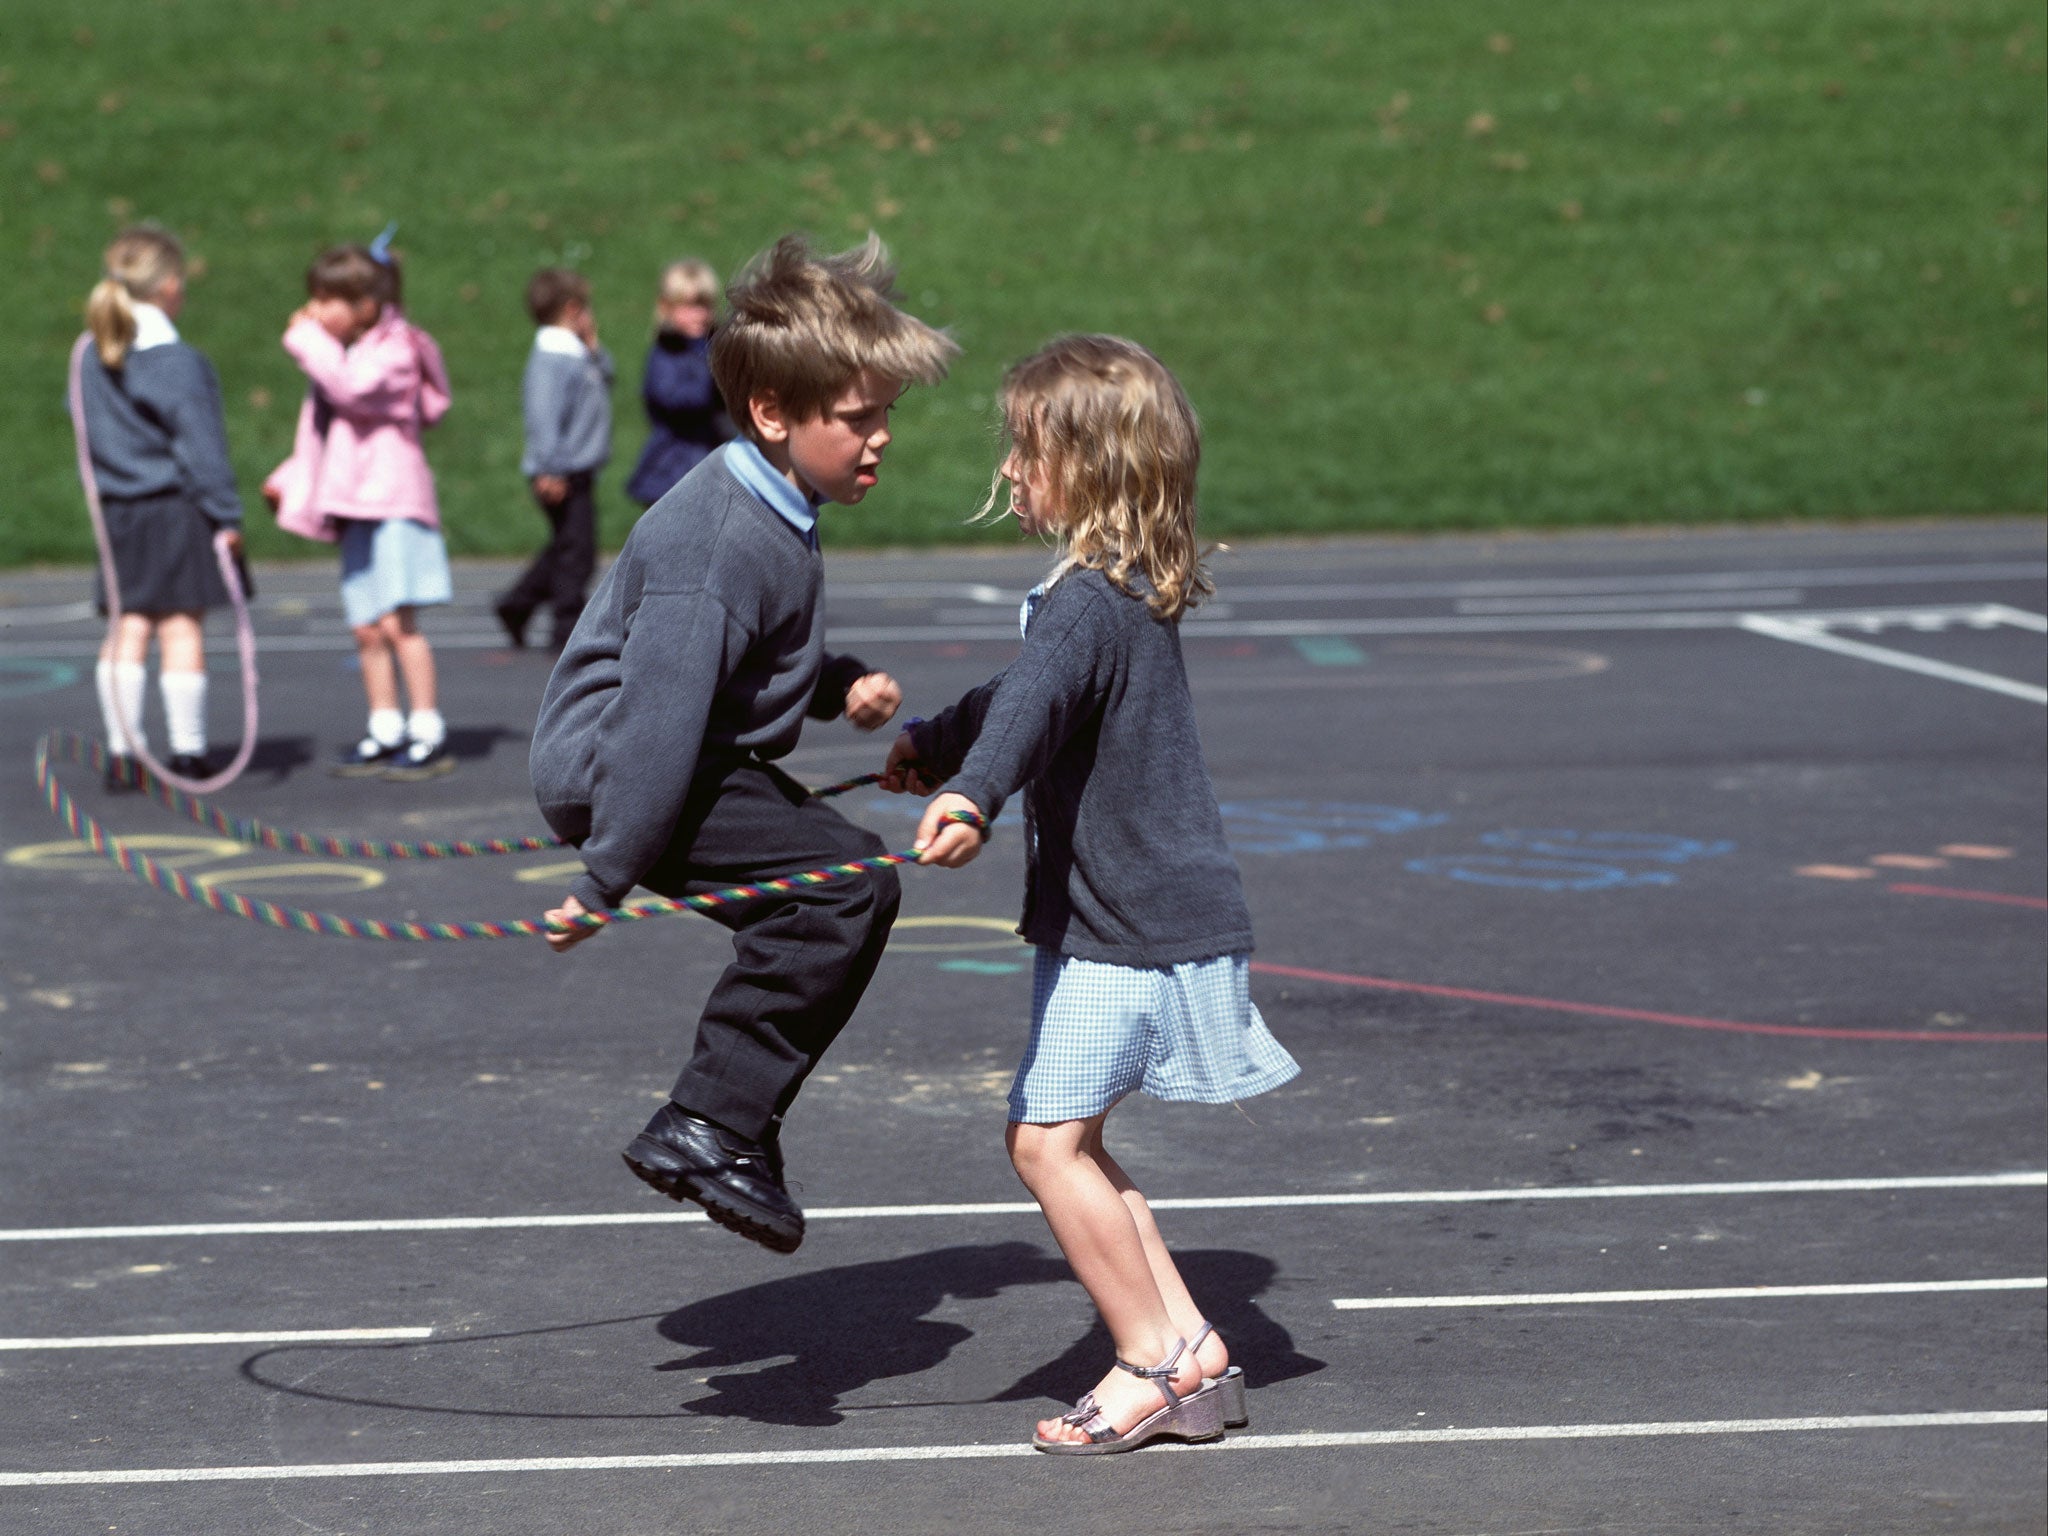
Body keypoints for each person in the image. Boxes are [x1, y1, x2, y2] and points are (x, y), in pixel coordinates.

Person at [880, 335, 1298, 1453]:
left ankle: (1150, 1361)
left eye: (1024, 453)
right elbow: (1031, 696)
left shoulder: (1083, 600)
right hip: (1134, 916)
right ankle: (1192, 1350)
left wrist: (968, 794)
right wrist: (940, 739)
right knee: (1075, 1144)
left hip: (1131, 926)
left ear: (1091, 464)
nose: (1010, 473)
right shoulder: (1111, 593)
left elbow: (1029, 710)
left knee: (1042, 1145)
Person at [528, 233, 958, 1255]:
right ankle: (708, 1123)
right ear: (772, 413)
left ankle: (725, 1126)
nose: (881, 437)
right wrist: (606, 879)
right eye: (858, 417)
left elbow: (736, 664)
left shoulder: (770, 508)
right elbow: (655, 716)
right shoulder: (718, 538)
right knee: (844, 885)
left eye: (886, 413)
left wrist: (837, 682)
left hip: (683, 762)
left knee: (849, 883)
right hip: (630, 773)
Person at [265, 239, 456, 780]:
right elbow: (327, 434)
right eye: (315, 299)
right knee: (367, 628)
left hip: (393, 500)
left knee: (399, 624)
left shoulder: (397, 351)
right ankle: (384, 727)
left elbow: (352, 394)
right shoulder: (346, 352)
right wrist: (291, 479)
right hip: (354, 503)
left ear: (367, 305)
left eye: (330, 299)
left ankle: (426, 730)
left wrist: (304, 338)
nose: (317, 311)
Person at [76, 224, 245, 787]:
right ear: (171, 284)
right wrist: (227, 514)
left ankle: (125, 753)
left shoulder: (91, 356)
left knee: (127, 628)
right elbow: (202, 447)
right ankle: (189, 751)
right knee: (179, 627)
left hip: (117, 511)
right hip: (174, 508)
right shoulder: (177, 360)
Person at [496, 268, 613, 649]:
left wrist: (594, 348)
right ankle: (566, 629)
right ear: (573, 309)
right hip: (561, 471)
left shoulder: (578, 353)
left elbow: (605, 377)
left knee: (567, 546)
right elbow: (544, 418)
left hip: (577, 469)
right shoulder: (552, 357)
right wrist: (550, 468)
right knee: (576, 555)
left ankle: (517, 604)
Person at [623, 258, 733, 509]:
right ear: (667, 308)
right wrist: (712, 377)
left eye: (704, 306)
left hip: (709, 450)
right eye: (689, 307)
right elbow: (673, 397)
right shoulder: (666, 351)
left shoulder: (708, 347)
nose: (700, 316)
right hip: (672, 460)